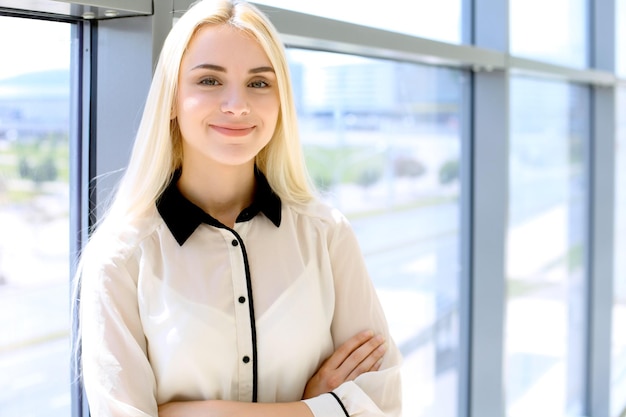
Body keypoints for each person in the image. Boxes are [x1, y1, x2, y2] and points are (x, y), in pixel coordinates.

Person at [76, 0, 403, 416]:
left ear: (281, 100)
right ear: (171, 100)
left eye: (259, 83)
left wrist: (185, 412)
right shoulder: (121, 257)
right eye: (210, 81)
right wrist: (316, 406)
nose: (237, 104)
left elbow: (383, 402)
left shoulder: (326, 234)